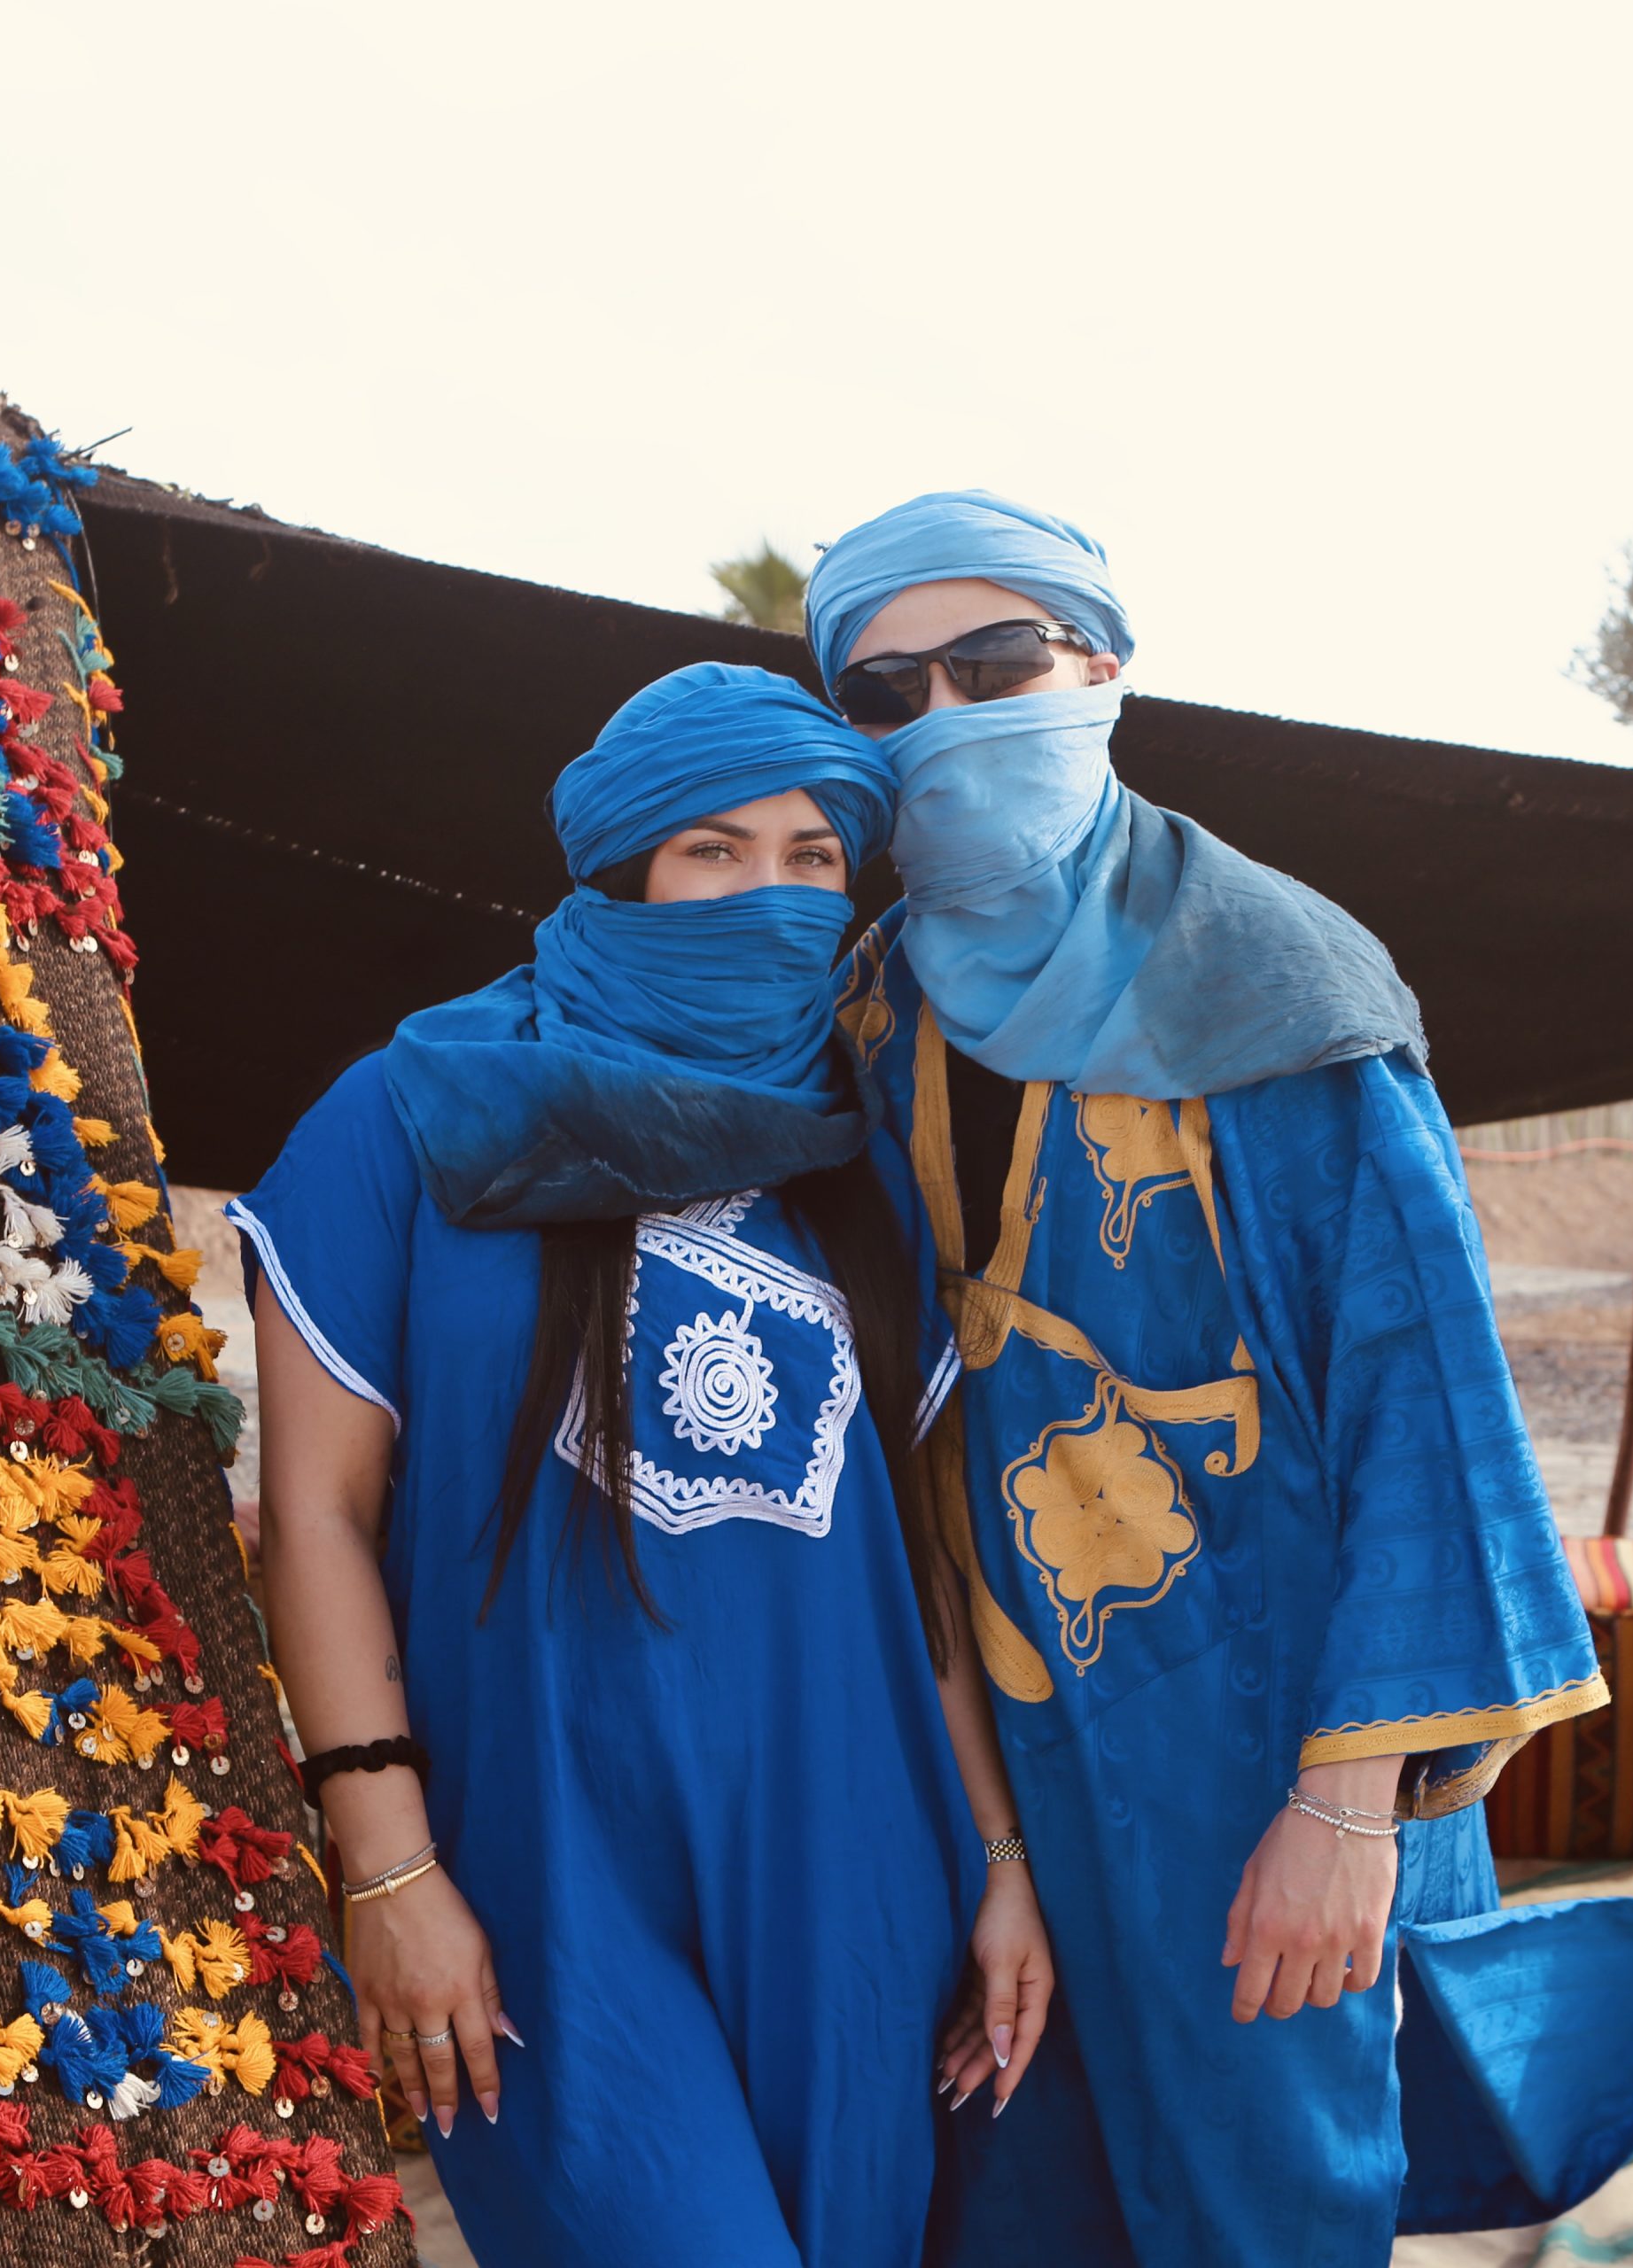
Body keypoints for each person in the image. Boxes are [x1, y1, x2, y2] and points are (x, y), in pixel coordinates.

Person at [805, 493, 1633, 2265]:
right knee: (1006, 2187)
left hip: (1256, 1737)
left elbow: (1428, 1410)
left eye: (990, 663)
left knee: (1268, 2193)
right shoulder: (866, 1007)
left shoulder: (1267, 979)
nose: (939, 715)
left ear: (1095, 666)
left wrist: (1344, 1812)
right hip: (982, 1737)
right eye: (881, 691)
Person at [229, 662, 1054, 2268]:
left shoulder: (861, 1154)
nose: (770, 893)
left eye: (815, 858)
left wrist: (1002, 1861)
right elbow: (317, 1520)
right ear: (622, 871)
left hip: (856, 1863)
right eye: (716, 851)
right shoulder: (405, 1119)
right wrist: (386, 1865)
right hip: (551, 1876)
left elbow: (920, 1565)